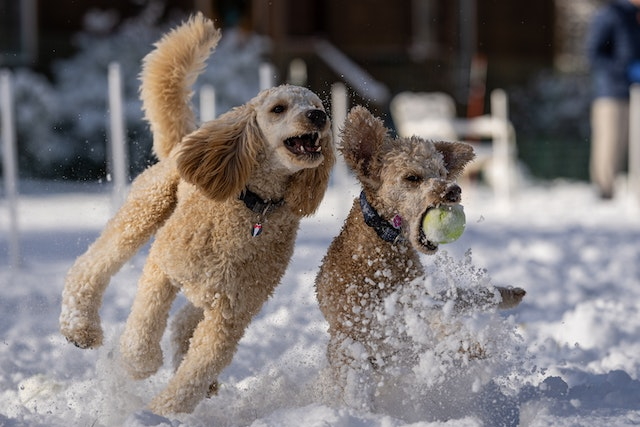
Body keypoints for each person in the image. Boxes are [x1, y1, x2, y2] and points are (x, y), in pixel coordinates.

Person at [586, 0, 640, 199]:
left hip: (636, 93)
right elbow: (594, 53)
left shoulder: (635, 16)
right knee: (610, 143)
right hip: (611, 92)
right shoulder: (611, 14)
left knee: (632, 143)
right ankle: (604, 191)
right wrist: (623, 71)